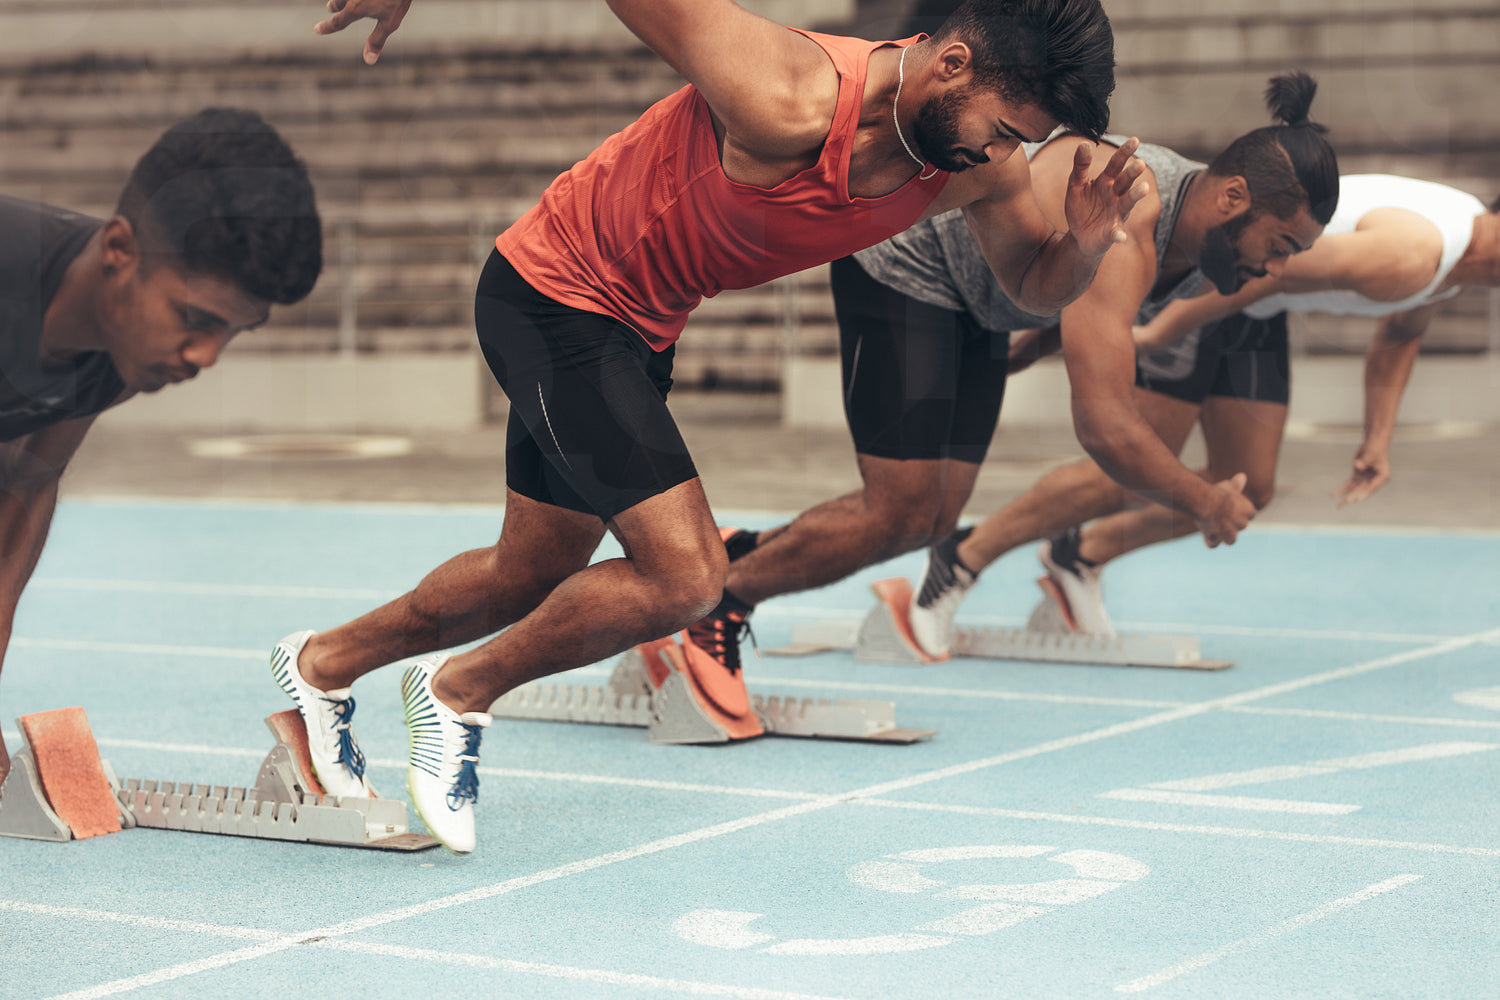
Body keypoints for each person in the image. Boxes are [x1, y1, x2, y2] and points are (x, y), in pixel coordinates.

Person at [283, 0, 1148, 854]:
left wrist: (1081, 247)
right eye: (1001, 130)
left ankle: (320, 666)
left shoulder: (977, 170)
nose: (998, 154)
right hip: (554, 295)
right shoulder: (785, 91)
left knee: (530, 570)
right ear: (953, 64)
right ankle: (458, 692)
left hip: (640, 329)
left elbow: (1030, 284)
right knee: (689, 577)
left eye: (1016, 142)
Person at [670, 72, 1334, 676]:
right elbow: (1105, 427)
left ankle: (740, 554)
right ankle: (719, 602)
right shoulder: (1132, 215)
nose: (1277, 271)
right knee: (899, 510)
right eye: (1280, 246)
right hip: (908, 266)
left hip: (985, 306)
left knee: (934, 521)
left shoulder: (1206, 243)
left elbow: (1083, 288)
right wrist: (1204, 501)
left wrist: (1041, 341)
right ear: (1233, 197)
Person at [907, 174, 1500, 646]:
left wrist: (1377, 439)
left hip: (1257, 313)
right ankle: (960, 559)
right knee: (1136, 462)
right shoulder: (1413, 252)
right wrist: (1164, 328)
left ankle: (1079, 554)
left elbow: (1401, 333)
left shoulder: (1457, 263)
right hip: (1213, 283)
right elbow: (1274, 270)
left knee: (1247, 485)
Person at [0, 108, 322, 789]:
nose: (206, 355)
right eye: (195, 318)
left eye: (233, 332)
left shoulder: (120, 356)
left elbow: (29, 480)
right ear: (119, 250)